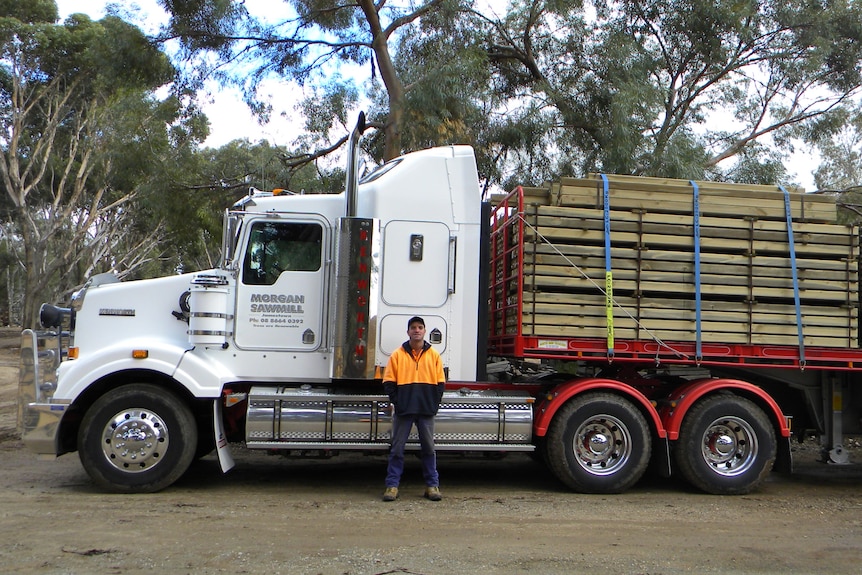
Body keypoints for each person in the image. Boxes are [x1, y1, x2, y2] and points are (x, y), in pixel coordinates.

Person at [382, 316, 446, 502]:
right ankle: (392, 486)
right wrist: (398, 402)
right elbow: (388, 382)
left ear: (424, 331)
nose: (416, 330)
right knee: (397, 449)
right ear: (408, 331)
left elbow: (440, 383)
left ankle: (432, 486)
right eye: (413, 327)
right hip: (404, 410)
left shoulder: (434, 355)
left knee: (428, 449)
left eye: (420, 327)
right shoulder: (397, 355)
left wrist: (433, 404)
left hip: (426, 410)